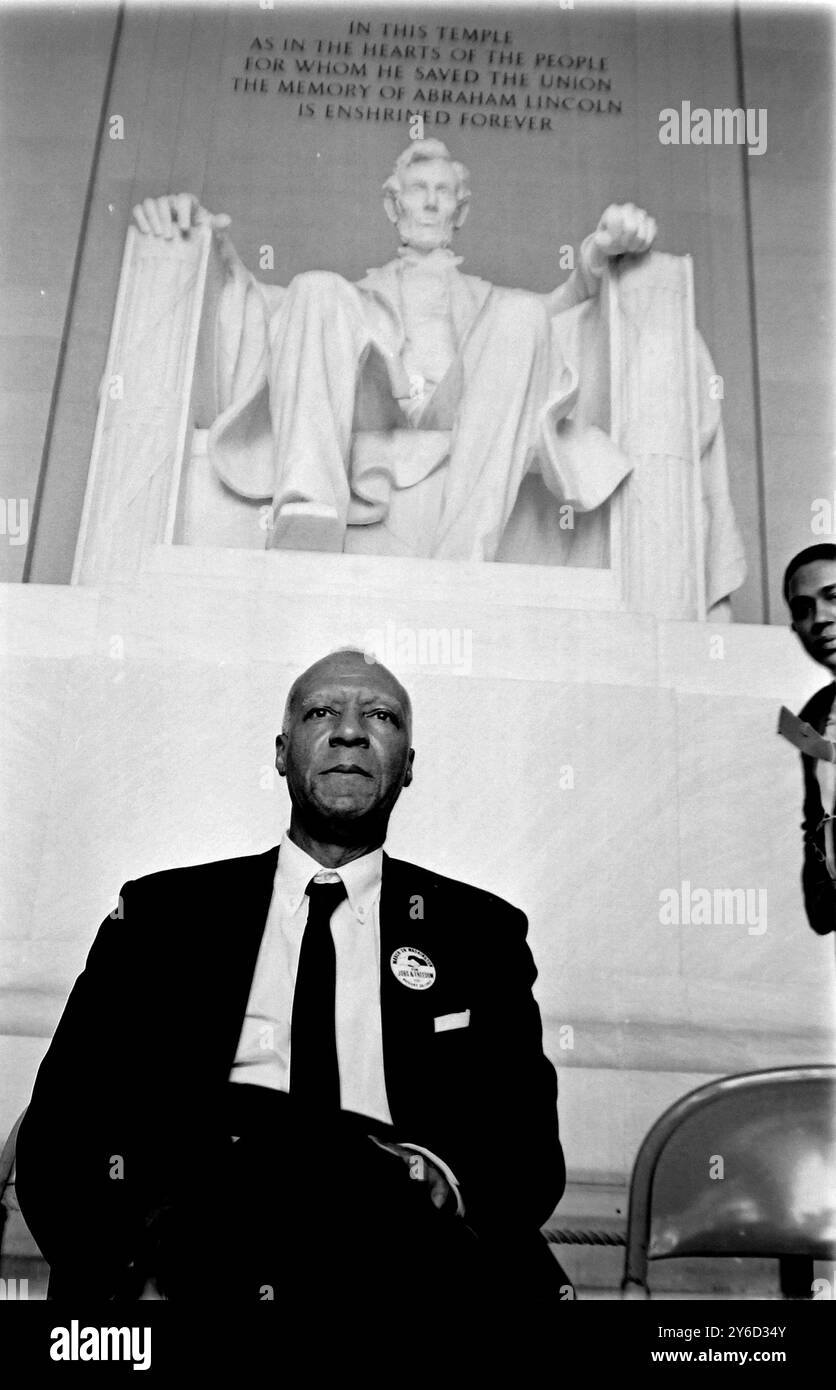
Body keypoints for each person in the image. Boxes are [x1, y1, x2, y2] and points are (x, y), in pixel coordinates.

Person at [15, 648, 569, 1327]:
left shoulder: (479, 933)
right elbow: (63, 1131)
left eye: (381, 717)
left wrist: (443, 1185)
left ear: (410, 765)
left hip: (402, 1255)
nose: (349, 732)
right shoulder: (163, 915)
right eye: (321, 712)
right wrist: (126, 1278)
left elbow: (527, 1152)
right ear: (282, 752)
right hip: (196, 1241)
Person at [132, 139, 656, 559]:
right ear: (393, 203)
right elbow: (247, 304)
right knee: (313, 285)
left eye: (444, 193)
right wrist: (204, 239)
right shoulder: (349, 302)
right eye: (418, 189)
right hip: (377, 397)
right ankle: (308, 509)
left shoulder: (490, 305)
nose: (430, 202)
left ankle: (463, 550)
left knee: (523, 314)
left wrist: (598, 253)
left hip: (462, 403)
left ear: (461, 209)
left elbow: (566, 305)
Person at [784, 543, 836, 936]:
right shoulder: (811, 715)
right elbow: (815, 818)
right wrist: (823, 898)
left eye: (833, 597)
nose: (818, 619)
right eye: (802, 609)